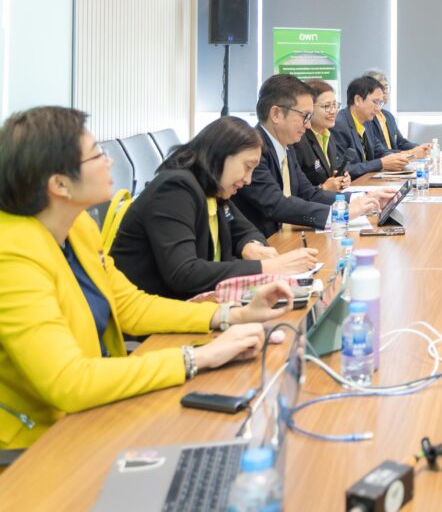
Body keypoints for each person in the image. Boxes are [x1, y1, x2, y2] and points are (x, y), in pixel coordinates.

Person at [0, 106, 294, 450]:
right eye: (96, 154)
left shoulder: (78, 228)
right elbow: (68, 381)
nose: (109, 161)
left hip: (95, 411)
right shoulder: (12, 256)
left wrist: (233, 314)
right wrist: (198, 358)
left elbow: (130, 307)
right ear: (59, 184)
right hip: (37, 442)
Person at [110, 116, 319, 300]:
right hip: (154, 317)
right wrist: (267, 267)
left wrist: (251, 246)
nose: (248, 180)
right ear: (220, 156)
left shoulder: (213, 189)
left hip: (201, 303)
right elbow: (184, 273)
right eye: (247, 167)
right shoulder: (175, 189)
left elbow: (245, 230)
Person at [234, 74, 386, 237]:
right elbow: (277, 205)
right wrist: (341, 214)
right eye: (304, 116)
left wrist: (363, 198)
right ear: (276, 114)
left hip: (287, 236)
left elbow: (309, 193)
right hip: (265, 241)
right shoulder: (252, 150)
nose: (308, 125)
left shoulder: (286, 146)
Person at [333, 75, 412, 179]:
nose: (378, 109)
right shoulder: (339, 126)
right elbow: (341, 169)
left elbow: (379, 151)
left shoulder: (367, 122)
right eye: (375, 102)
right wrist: (381, 163)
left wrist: (402, 156)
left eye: (380, 103)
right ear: (357, 100)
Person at [293, 79, 354, 191]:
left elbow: (330, 174)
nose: (333, 111)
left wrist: (341, 179)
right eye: (327, 106)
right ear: (309, 108)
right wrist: (323, 188)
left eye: (335, 105)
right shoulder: (298, 140)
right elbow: (296, 189)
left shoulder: (328, 135)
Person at [363, 69, 431, 157]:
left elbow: (400, 142)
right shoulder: (367, 117)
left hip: (396, 161)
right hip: (384, 162)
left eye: (386, 87)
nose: (385, 92)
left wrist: (419, 147)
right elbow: (379, 151)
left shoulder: (388, 116)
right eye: (380, 88)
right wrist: (411, 152)